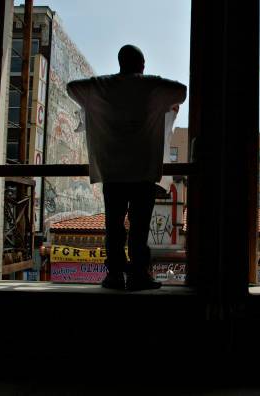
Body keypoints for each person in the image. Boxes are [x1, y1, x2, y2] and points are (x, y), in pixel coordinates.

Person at [67, 45, 187, 291]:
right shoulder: (151, 86)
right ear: (142, 66)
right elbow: (181, 91)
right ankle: (138, 275)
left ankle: (114, 276)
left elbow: (72, 88)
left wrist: (96, 102)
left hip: (112, 170)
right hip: (143, 171)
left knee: (114, 225)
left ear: (120, 63)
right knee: (140, 227)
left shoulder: (101, 86)